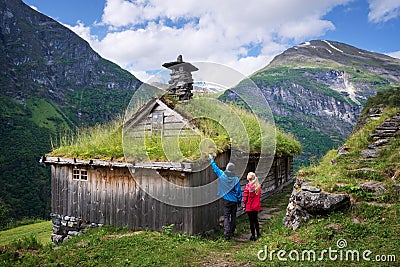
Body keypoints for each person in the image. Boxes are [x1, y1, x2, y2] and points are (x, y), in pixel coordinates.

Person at [209, 154, 242, 241]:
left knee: (226, 217)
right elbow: (238, 191)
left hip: (226, 200)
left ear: (227, 168)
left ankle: (227, 234)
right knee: (233, 216)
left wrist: (211, 158)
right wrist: (239, 201)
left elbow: (215, 168)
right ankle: (232, 231)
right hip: (234, 200)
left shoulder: (222, 175)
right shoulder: (236, 179)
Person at [243, 172, 261, 241]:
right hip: (256, 206)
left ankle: (253, 236)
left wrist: (244, 204)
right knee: (256, 220)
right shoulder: (258, 187)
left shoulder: (247, 187)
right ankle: (258, 234)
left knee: (251, 221)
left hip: (249, 207)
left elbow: (245, 198)